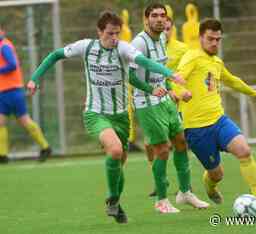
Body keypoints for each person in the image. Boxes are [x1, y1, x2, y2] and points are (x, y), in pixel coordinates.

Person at [27, 11, 183, 223]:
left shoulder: (123, 48)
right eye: (110, 34)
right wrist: (35, 79)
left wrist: (157, 81)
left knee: (119, 163)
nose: (114, 38)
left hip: (120, 117)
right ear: (99, 32)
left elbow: (142, 63)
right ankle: (112, 200)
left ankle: (115, 202)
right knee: (116, 149)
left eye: (117, 33)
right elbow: (55, 55)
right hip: (95, 113)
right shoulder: (86, 46)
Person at [175, 18, 256, 212]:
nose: (214, 43)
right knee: (216, 175)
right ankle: (210, 186)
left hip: (219, 121)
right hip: (196, 129)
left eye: (218, 39)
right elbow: (175, 79)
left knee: (245, 151)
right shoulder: (192, 57)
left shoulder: (216, 62)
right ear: (200, 38)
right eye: (210, 39)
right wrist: (181, 92)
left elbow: (233, 81)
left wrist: (254, 94)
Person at [130, 3, 209, 213]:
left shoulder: (163, 38)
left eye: (162, 16)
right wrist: (150, 88)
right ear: (146, 19)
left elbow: (161, 73)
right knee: (162, 150)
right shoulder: (138, 43)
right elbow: (129, 76)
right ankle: (162, 200)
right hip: (146, 103)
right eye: (154, 16)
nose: (159, 19)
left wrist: (169, 90)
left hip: (165, 100)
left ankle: (185, 192)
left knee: (181, 142)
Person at [146, 16, 192, 197]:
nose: (166, 31)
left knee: (179, 141)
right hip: (154, 100)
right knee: (149, 144)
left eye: (168, 28)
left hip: (176, 101)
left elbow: (185, 75)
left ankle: (185, 185)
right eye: (163, 28)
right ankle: (158, 181)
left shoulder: (182, 49)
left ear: (173, 29)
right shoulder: (150, 46)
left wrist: (181, 92)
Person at [0, 27, 51, 164]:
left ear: (2, 31)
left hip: (12, 91)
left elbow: (12, 64)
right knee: (1, 122)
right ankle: (3, 155)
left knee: (24, 121)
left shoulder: (4, 46)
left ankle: (45, 147)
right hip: (4, 92)